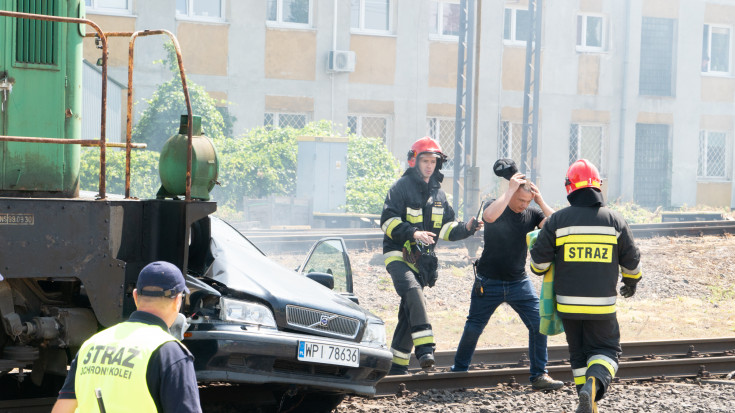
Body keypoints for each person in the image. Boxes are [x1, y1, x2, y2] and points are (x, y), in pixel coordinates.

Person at [529, 159, 641, 413]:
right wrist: (631, 283)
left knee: (579, 354)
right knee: (608, 351)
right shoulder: (615, 220)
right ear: (597, 186)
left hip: (567, 307)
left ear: (570, 187)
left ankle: (587, 402)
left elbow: (538, 266)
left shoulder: (557, 221)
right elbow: (632, 261)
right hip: (601, 308)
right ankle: (593, 386)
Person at [451, 159, 563, 391]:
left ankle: (539, 375)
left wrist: (539, 200)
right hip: (488, 280)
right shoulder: (496, 205)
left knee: (538, 324)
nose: (523, 205)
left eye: (527, 201)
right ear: (511, 194)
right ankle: (458, 371)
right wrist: (511, 189)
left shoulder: (532, 213)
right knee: (474, 326)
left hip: (518, 282)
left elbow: (557, 226)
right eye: (520, 200)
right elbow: (489, 217)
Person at [381, 136, 480, 375]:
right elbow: (387, 222)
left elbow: (445, 229)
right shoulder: (400, 188)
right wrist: (414, 233)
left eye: (433, 161)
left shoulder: (439, 195)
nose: (429, 166)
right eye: (424, 160)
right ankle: (426, 350)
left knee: (409, 310)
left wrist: (467, 228)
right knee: (414, 294)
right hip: (398, 255)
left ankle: (397, 366)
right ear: (414, 162)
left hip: (422, 262)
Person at [52, 261, 202, 413]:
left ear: (136, 296)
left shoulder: (91, 345)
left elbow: (61, 410)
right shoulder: (170, 353)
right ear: (178, 301)